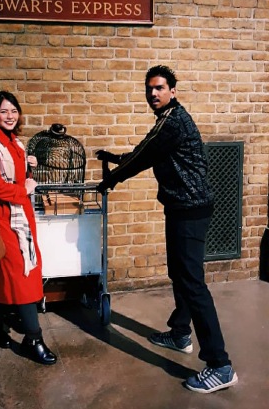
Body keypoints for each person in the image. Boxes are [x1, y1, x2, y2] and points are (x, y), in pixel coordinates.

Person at [96, 65, 237, 393]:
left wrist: (112, 179)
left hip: (190, 209)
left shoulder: (173, 121)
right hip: (182, 207)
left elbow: (144, 156)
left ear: (173, 90)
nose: (153, 94)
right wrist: (117, 159)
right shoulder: (166, 122)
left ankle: (220, 365)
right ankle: (180, 333)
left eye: (159, 88)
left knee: (192, 283)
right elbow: (146, 149)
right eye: (149, 89)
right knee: (181, 273)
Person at [0, 90, 57, 365]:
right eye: (4, 111)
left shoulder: (14, 143)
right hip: (3, 220)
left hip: (16, 219)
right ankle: (34, 337)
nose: (10, 116)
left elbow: (15, 176)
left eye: (13, 111)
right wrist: (24, 188)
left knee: (5, 273)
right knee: (21, 275)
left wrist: (27, 166)